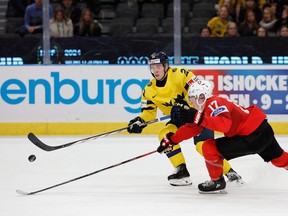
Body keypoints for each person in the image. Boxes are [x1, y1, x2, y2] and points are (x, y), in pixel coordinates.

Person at [127, 51, 243, 186]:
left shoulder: (181, 74)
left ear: (166, 66)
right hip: (179, 120)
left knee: (203, 146)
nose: (155, 70)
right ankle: (181, 171)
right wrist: (140, 122)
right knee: (164, 135)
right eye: (152, 68)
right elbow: (149, 113)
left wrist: (185, 105)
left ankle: (230, 172)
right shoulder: (149, 90)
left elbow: (201, 92)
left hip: (198, 115)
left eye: (158, 66)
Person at [158, 79, 288, 193]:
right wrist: (171, 140)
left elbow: (224, 125)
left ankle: (217, 182)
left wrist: (198, 118)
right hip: (263, 130)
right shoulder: (208, 107)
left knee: (208, 147)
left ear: (202, 96)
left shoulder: (214, 103)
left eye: (192, 98)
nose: (191, 102)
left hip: (250, 137)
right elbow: (192, 128)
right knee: (280, 159)